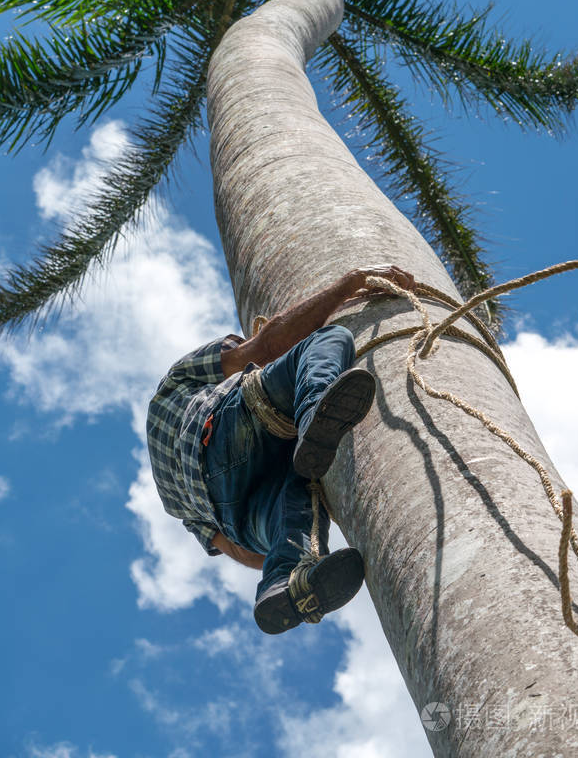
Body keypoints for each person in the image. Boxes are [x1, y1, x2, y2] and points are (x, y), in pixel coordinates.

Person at [147, 264, 415, 634]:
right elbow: (268, 347)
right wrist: (350, 282)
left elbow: (241, 551)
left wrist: (281, 544)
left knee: (299, 490)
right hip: (221, 434)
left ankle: (285, 583)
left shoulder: (175, 504)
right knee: (331, 339)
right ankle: (311, 415)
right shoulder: (179, 378)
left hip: (233, 512)